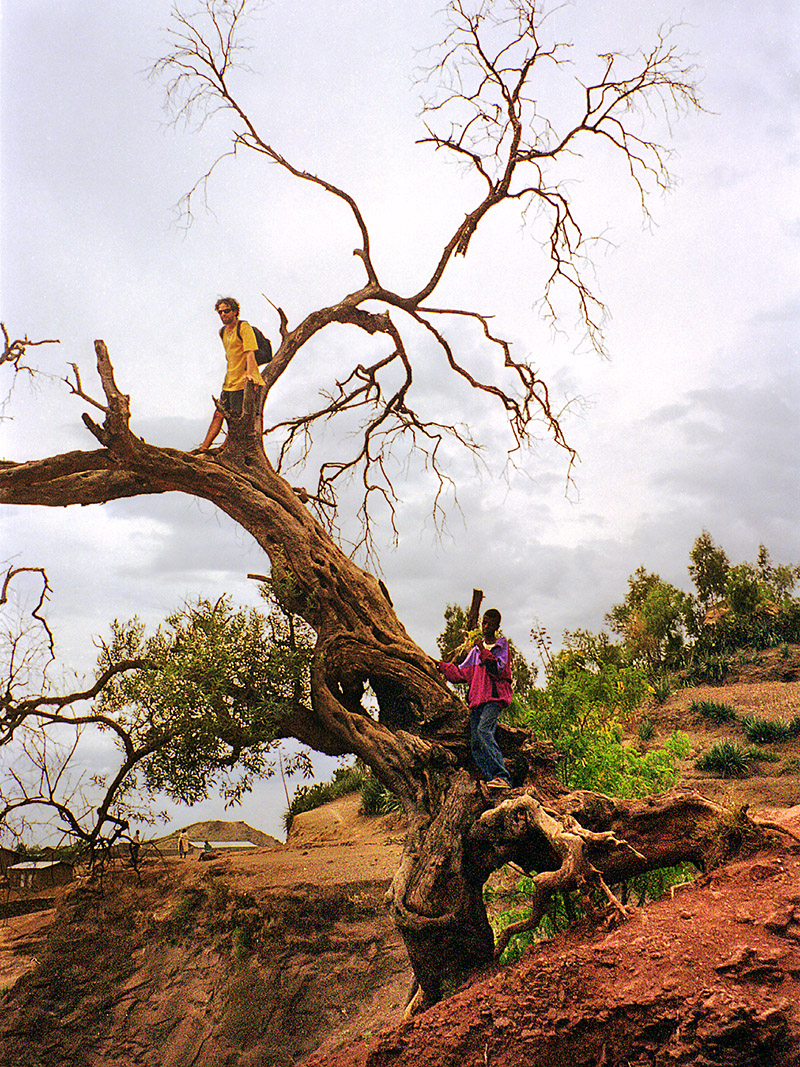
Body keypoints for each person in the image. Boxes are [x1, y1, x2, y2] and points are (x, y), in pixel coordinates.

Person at [438, 608, 513, 790]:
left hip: (494, 699)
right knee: (476, 744)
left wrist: (481, 647)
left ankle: (502, 776)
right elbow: (461, 674)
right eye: (484, 623)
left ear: (497, 626)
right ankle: (491, 780)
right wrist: (440, 666)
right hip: (477, 700)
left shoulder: (501, 648)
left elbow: (497, 669)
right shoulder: (474, 653)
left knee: (484, 731)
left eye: (490, 624)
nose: (486, 626)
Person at [197, 297, 266, 452]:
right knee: (218, 414)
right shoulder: (222, 332)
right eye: (220, 312)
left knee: (236, 419)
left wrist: (250, 376)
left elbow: (250, 353)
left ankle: (226, 448)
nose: (223, 315)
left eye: (226, 311)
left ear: (235, 311)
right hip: (230, 381)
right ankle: (203, 448)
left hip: (244, 381)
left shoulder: (244, 327)